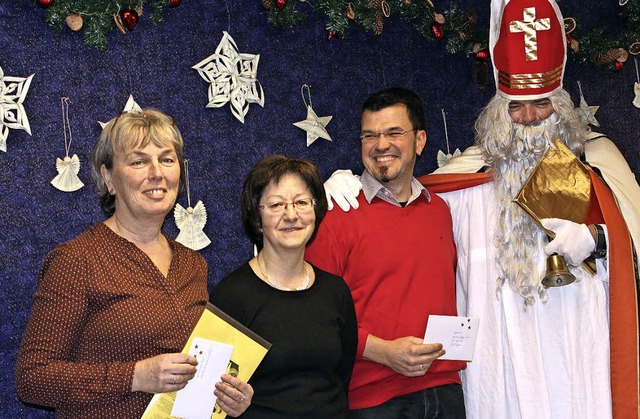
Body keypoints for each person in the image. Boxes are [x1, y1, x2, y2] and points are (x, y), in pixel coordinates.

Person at [323, 1, 640, 418]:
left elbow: (631, 238)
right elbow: (402, 191)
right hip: (497, 371)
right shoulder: (466, 182)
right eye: (515, 106)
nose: (528, 117)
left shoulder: (596, 163)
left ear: (561, 106)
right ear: (498, 112)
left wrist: (598, 239)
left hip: (576, 361)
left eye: (541, 103)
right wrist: (334, 185)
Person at [15, 109, 253, 418]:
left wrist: (227, 397)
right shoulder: (76, 261)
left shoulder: (193, 264)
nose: (157, 173)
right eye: (139, 161)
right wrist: (136, 376)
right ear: (109, 177)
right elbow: (33, 379)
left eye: (167, 159)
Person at [305, 87, 467, 418]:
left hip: (447, 391)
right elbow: (314, 315)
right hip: (373, 401)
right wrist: (382, 351)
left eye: (394, 133)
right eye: (370, 135)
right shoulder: (336, 213)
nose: (381, 145)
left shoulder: (440, 210)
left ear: (420, 141)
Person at [209, 155, 357, 418]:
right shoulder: (231, 297)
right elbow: (210, 397)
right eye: (276, 205)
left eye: (301, 202)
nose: (291, 215)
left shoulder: (336, 292)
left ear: (315, 211)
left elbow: (341, 378)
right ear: (257, 219)